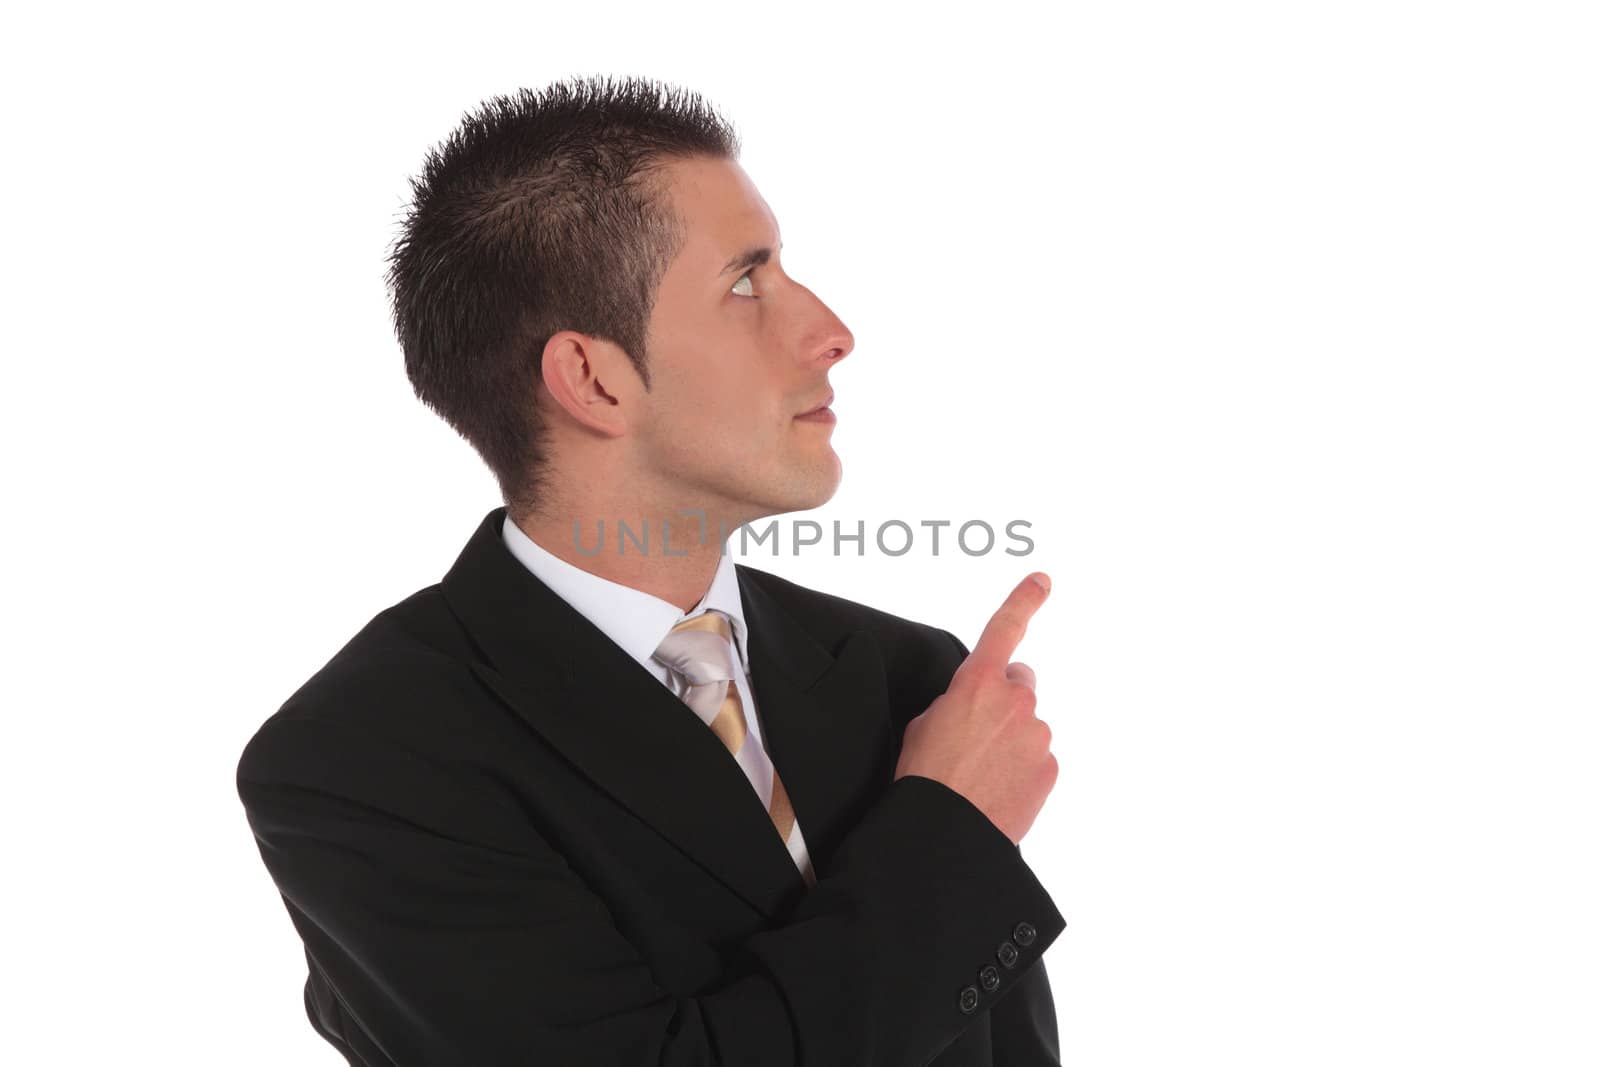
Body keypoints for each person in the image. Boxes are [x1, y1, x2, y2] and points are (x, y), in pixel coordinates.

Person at [236, 74, 1065, 1066]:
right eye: (746, 282)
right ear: (591, 378)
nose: (831, 332)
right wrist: (947, 830)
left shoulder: (908, 677)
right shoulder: (362, 762)